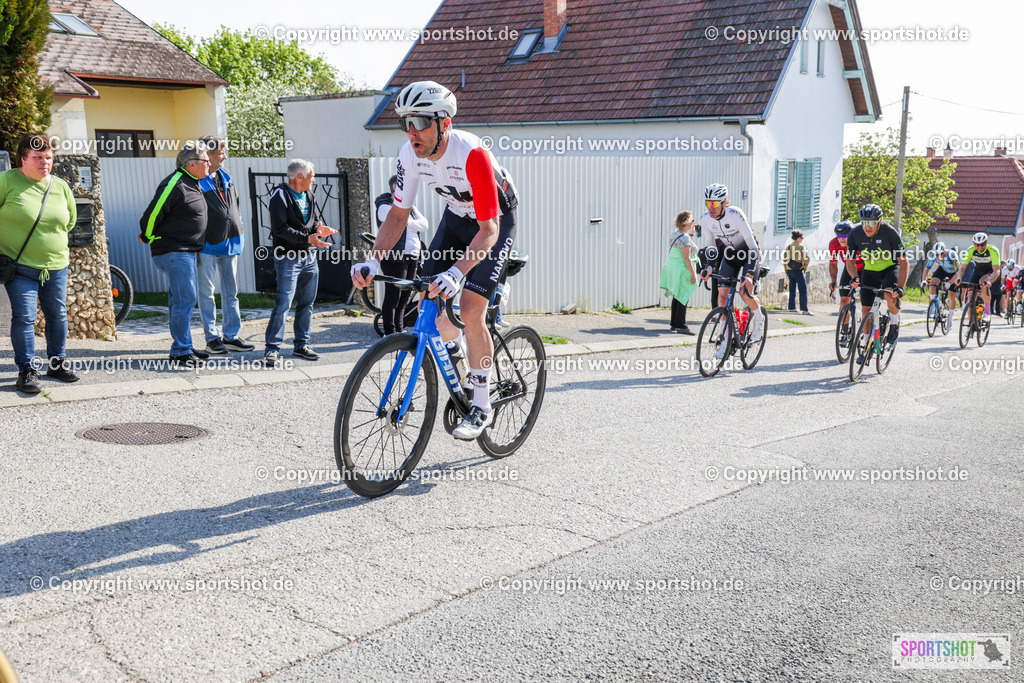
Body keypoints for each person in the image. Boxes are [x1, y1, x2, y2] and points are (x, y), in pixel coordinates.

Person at [351, 81, 519, 439]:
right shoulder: (409, 154)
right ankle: (458, 351)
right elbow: (398, 215)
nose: (412, 132)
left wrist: (457, 273)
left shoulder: (471, 153)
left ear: (444, 123)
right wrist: (373, 262)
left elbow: (489, 230)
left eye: (420, 122)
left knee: (471, 309)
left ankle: (481, 405)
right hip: (457, 219)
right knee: (429, 300)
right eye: (405, 123)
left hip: (494, 223)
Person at [0, 132, 80, 393]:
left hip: (56, 266)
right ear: (22, 159)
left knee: (57, 315)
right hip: (19, 266)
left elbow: (70, 221)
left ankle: (57, 364)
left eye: (48, 157)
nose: (45, 162)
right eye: (38, 157)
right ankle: (26, 370)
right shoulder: (6, 181)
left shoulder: (61, 186)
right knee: (25, 318)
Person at [139, 140, 210, 367]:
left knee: (183, 300)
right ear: (191, 164)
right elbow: (152, 215)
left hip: (185, 252)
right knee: (184, 299)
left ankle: (184, 345)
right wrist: (148, 236)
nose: (209, 163)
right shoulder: (175, 183)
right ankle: (180, 351)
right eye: (205, 160)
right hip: (174, 251)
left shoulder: (192, 183)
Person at [263, 160, 337, 366]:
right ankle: (271, 349)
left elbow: (313, 222)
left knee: (307, 303)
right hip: (287, 258)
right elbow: (279, 229)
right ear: (299, 177)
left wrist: (320, 230)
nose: (314, 180)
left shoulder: (309, 195)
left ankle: (301, 345)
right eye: (312, 176)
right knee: (284, 303)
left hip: (309, 257)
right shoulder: (279, 196)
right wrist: (307, 239)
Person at [196, 136, 253, 354]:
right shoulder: (197, 181)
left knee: (231, 293)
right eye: (221, 153)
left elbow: (235, 206)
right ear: (209, 155)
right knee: (207, 294)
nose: (225, 157)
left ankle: (231, 336)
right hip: (207, 246)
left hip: (231, 243)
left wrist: (241, 228)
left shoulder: (226, 176)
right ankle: (212, 339)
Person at [697, 183, 765, 357]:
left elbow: (752, 246)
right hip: (730, 255)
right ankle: (725, 342)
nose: (711, 208)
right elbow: (711, 246)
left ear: (724, 203)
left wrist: (749, 275)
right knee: (722, 298)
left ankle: (759, 318)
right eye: (708, 203)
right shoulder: (705, 219)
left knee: (744, 292)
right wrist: (709, 267)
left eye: (715, 203)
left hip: (749, 253)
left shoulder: (735, 214)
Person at [845, 204, 908, 345]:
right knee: (866, 308)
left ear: (879, 222)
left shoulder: (889, 232)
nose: (868, 227)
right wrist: (854, 277)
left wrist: (900, 287)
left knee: (889, 294)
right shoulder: (855, 234)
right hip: (870, 271)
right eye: (864, 223)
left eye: (872, 223)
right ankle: (866, 342)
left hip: (890, 268)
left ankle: (894, 322)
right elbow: (850, 261)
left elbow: (904, 262)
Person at [374, 174, 429, 334]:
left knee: (405, 296)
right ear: (395, 187)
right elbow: (395, 220)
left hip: (412, 256)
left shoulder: (409, 207)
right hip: (395, 257)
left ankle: (399, 330)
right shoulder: (385, 205)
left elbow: (424, 224)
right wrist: (409, 223)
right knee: (394, 296)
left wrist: (406, 222)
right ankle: (390, 332)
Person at [659, 211, 699, 334]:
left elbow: (686, 245)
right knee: (683, 295)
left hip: (672, 267)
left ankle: (674, 323)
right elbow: (686, 257)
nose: (693, 222)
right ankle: (681, 325)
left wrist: (691, 233)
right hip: (681, 269)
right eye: (692, 220)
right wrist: (692, 273)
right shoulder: (684, 237)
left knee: (677, 295)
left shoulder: (675, 234)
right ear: (687, 222)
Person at [953, 233, 1000, 322]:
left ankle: (987, 312)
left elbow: (996, 270)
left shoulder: (993, 250)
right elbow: (962, 268)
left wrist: (990, 281)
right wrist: (959, 277)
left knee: (982, 282)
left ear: (986, 243)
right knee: (970, 298)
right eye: (977, 245)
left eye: (982, 244)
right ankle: (972, 322)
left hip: (990, 271)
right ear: (974, 244)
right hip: (977, 271)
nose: (980, 247)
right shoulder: (971, 250)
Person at [920, 242, 959, 319]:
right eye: (936, 255)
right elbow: (926, 269)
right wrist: (924, 280)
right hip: (943, 269)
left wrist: (949, 283)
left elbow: (958, 272)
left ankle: (950, 318)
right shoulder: (933, 255)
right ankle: (934, 304)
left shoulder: (951, 255)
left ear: (944, 252)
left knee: (952, 296)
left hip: (953, 273)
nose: (938, 256)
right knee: (932, 283)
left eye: (940, 254)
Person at [784, 230, 811, 315]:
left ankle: (791, 307)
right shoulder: (801, 247)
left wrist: (786, 271)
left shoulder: (788, 247)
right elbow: (805, 259)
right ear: (798, 238)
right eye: (801, 237)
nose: (802, 239)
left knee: (792, 289)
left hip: (789, 270)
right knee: (803, 289)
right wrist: (805, 267)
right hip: (797, 270)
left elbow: (785, 259)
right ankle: (804, 309)